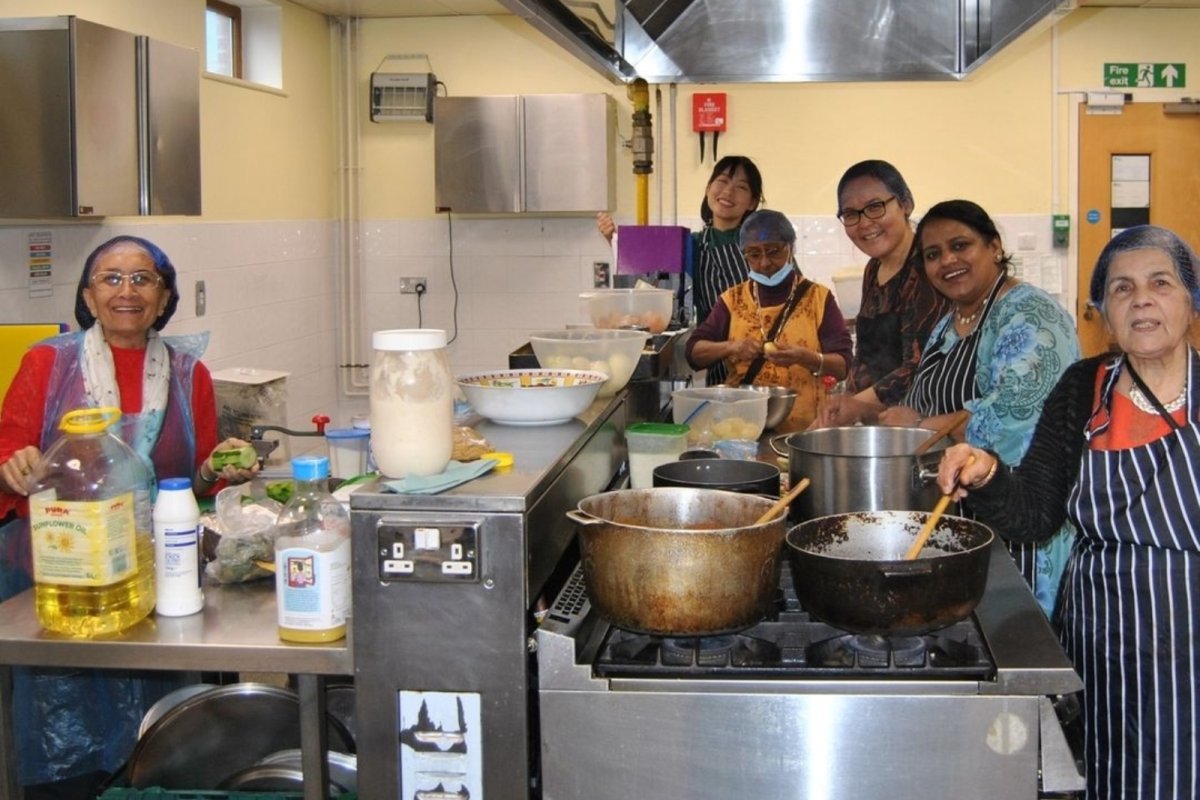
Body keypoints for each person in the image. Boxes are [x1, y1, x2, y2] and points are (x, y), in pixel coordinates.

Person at [935, 225, 1200, 800]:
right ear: (1103, 311)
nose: (1142, 299)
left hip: (1190, 645)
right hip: (1102, 641)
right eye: (1121, 289)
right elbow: (1036, 514)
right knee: (1106, 777)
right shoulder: (1084, 387)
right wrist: (988, 473)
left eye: (1161, 283)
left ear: (1190, 301)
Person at [0, 235, 257, 799]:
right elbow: (9, 447)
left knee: (155, 735)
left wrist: (217, 470)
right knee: (61, 732)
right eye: (110, 279)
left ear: (164, 296)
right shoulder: (47, 362)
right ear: (88, 296)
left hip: (156, 576)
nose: (127, 291)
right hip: (58, 577)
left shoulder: (190, 374)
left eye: (142, 279)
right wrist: (11, 463)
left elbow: (191, 484)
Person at [827, 199, 1080, 615]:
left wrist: (922, 426)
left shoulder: (1030, 313)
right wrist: (879, 416)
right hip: (964, 519)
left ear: (994, 247)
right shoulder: (951, 321)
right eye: (932, 255)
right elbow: (926, 397)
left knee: (1016, 645)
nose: (947, 261)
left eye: (961, 245)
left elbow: (1020, 418)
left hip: (1021, 528)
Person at [598, 155, 764, 384]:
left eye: (741, 187)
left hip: (765, 359)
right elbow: (647, 288)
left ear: (753, 202)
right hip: (717, 361)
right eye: (722, 181)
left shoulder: (764, 245)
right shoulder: (688, 245)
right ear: (708, 189)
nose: (728, 191)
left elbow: (797, 296)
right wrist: (614, 240)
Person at [686, 209, 853, 431]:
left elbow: (843, 365)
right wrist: (732, 347)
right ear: (743, 254)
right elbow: (694, 353)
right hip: (743, 429)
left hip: (805, 429)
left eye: (773, 251)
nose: (764, 263)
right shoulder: (732, 300)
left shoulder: (818, 299)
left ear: (790, 248)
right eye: (754, 254)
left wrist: (808, 358)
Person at [813, 160, 951, 426]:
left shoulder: (928, 267)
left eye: (875, 207)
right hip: (876, 425)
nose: (864, 223)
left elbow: (918, 366)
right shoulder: (873, 268)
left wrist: (853, 405)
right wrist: (842, 404)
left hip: (921, 427)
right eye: (851, 214)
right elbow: (865, 356)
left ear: (906, 204)